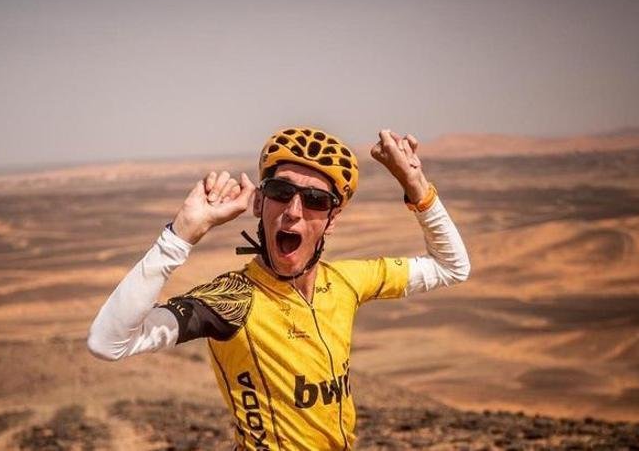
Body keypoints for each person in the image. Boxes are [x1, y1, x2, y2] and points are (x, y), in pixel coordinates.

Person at [88, 127, 470, 450]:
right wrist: (180, 235)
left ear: (332, 219)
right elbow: (108, 342)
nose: (293, 211)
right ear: (259, 203)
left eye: (316, 200)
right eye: (281, 191)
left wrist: (416, 186)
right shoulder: (231, 299)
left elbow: (452, 267)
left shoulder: (346, 282)